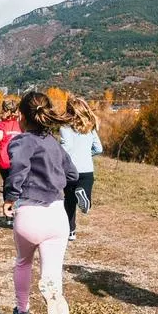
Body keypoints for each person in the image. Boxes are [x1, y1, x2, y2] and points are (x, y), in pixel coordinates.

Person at [4, 91, 78, 314]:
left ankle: (22, 311)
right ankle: (52, 285)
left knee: (23, 262)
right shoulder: (54, 144)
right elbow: (73, 174)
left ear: (22, 117)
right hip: (57, 215)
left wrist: (9, 198)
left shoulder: (22, 141)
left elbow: (17, 168)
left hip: (29, 214)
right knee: (52, 268)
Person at [58, 95, 104, 242]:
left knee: (69, 201)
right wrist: (86, 154)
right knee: (85, 196)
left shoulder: (64, 127)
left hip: (70, 171)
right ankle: (85, 200)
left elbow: (66, 148)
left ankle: (71, 231)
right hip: (86, 170)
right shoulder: (90, 128)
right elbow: (99, 148)